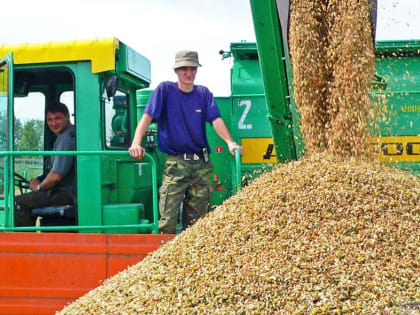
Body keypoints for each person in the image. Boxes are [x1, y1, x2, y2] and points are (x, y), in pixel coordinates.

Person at [129, 50, 243, 234]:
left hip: (201, 164)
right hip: (176, 163)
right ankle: (163, 259)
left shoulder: (203, 94)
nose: (188, 73)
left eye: (192, 69)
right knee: (167, 220)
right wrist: (136, 143)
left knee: (197, 225)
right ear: (176, 70)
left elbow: (216, 120)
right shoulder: (165, 90)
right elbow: (147, 117)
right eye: (184, 69)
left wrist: (230, 142)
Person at [15, 102, 76, 226]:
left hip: (67, 194)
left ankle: (25, 243)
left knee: (19, 202)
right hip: (67, 192)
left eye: (57, 118)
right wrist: (39, 180)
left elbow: (56, 176)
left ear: (67, 116)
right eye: (50, 120)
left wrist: (38, 188)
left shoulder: (66, 139)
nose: (53, 123)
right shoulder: (68, 135)